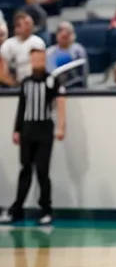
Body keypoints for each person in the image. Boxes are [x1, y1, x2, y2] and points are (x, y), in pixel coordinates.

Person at [0, 47, 66, 225]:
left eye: (41, 59)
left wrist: (61, 127)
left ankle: (46, 210)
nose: (38, 63)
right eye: (35, 59)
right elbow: (22, 106)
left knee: (43, 171)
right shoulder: (26, 82)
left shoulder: (52, 81)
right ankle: (17, 209)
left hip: (44, 129)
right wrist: (17, 129)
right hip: (28, 130)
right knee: (25, 170)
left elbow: (60, 103)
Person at [0, 11, 46, 86]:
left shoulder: (38, 42)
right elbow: (2, 70)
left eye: (31, 23)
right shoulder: (7, 45)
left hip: (36, 82)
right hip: (14, 85)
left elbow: (40, 67)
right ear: (17, 27)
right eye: (26, 23)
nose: (30, 26)